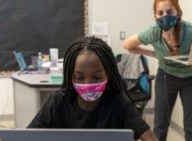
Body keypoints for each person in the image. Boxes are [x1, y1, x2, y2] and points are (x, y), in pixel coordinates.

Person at [27, 36, 159, 141]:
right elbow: (26, 137)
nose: (88, 84)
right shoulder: (58, 102)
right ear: (70, 77)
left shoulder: (119, 103)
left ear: (108, 73)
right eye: (79, 77)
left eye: (97, 77)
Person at [123, 0, 192, 141]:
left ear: (178, 12)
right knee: (160, 126)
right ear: (155, 15)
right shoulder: (153, 32)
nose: (165, 16)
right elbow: (128, 45)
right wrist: (152, 54)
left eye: (169, 12)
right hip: (166, 77)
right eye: (160, 13)